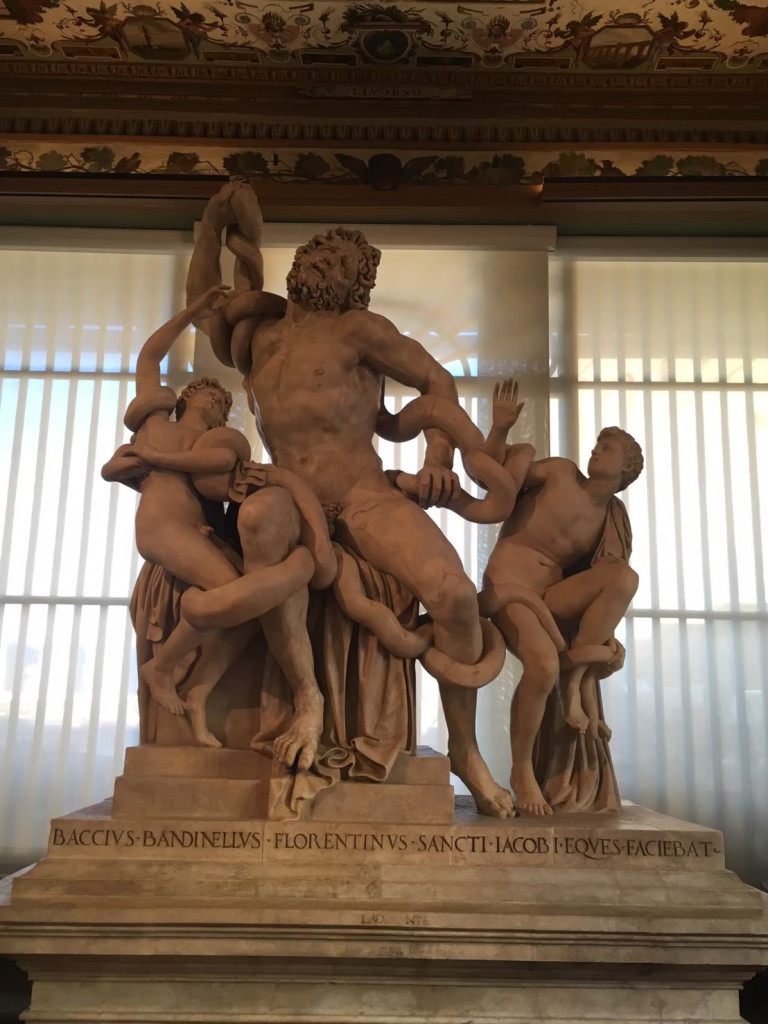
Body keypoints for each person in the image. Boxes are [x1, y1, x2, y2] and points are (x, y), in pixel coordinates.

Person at [184, 180, 515, 817]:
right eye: (319, 254)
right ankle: (307, 698)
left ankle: (466, 751)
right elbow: (205, 304)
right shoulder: (258, 335)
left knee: (453, 595)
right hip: (290, 493)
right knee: (259, 519)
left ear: (354, 286)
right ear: (298, 263)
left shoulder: (360, 329)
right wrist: (211, 225)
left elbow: (437, 379)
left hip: (364, 497)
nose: (325, 265)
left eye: (341, 263)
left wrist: (437, 460)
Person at [102, 284, 325, 768]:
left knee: (244, 608)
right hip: (162, 529)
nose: (217, 406)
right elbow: (149, 357)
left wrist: (157, 461)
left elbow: (222, 469)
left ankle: (199, 691)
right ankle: (162, 668)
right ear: (188, 397)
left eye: (224, 406)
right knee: (234, 595)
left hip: (193, 533)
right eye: (210, 397)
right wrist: (195, 311)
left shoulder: (207, 447)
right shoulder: (155, 424)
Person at [481, 380, 643, 816]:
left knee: (624, 577)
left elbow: (605, 587)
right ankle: (521, 770)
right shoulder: (559, 472)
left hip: (551, 597)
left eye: (607, 449)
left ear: (625, 468)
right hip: (509, 586)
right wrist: (500, 428)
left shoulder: (609, 517)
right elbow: (494, 475)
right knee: (543, 663)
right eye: (597, 444)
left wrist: (605, 638)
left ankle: (578, 678)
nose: (595, 451)